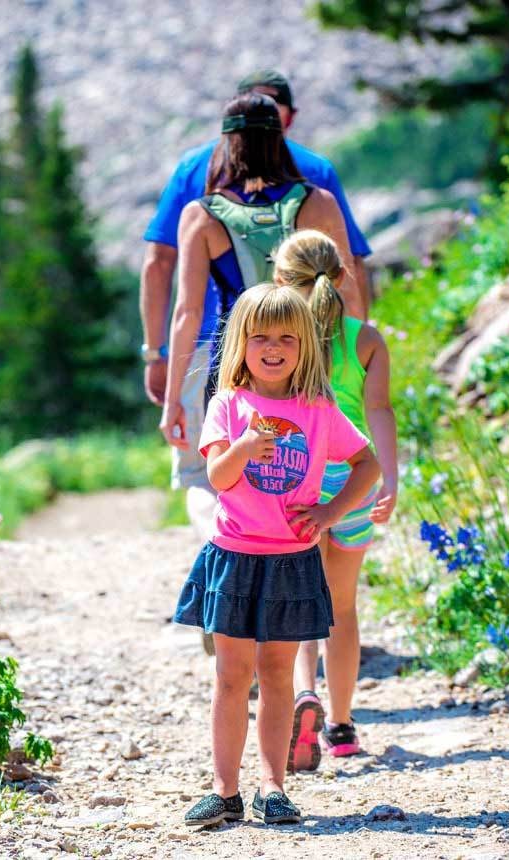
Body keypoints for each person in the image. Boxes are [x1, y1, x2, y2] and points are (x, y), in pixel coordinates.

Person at [172, 282, 380, 827]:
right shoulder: (228, 404)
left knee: (278, 674)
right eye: (260, 335)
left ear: (305, 346)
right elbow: (219, 476)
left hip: (292, 559)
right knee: (231, 676)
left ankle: (272, 787)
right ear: (240, 342)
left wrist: (330, 514)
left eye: (287, 337)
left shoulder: (317, 409)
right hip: (235, 556)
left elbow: (368, 464)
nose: (273, 346)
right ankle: (224, 790)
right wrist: (243, 446)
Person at [142, 70, 371, 538]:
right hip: (307, 359)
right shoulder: (317, 201)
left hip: (229, 363)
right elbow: (349, 289)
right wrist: (354, 362)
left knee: (206, 478)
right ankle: (289, 554)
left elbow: (186, 312)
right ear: (281, 137)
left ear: (228, 144)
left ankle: (227, 551)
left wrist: (172, 401)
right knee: (298, 469)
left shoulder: (201, 216)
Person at [272, 229, 399, 771]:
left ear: (280, 281)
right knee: (342, 609)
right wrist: (388, 479)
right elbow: (380, 414)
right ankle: (341, 726)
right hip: (353, 483)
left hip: (297, 484)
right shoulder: (365, 339)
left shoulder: (278, 343)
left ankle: (304, 693)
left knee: (300, 604)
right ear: (343, 276)